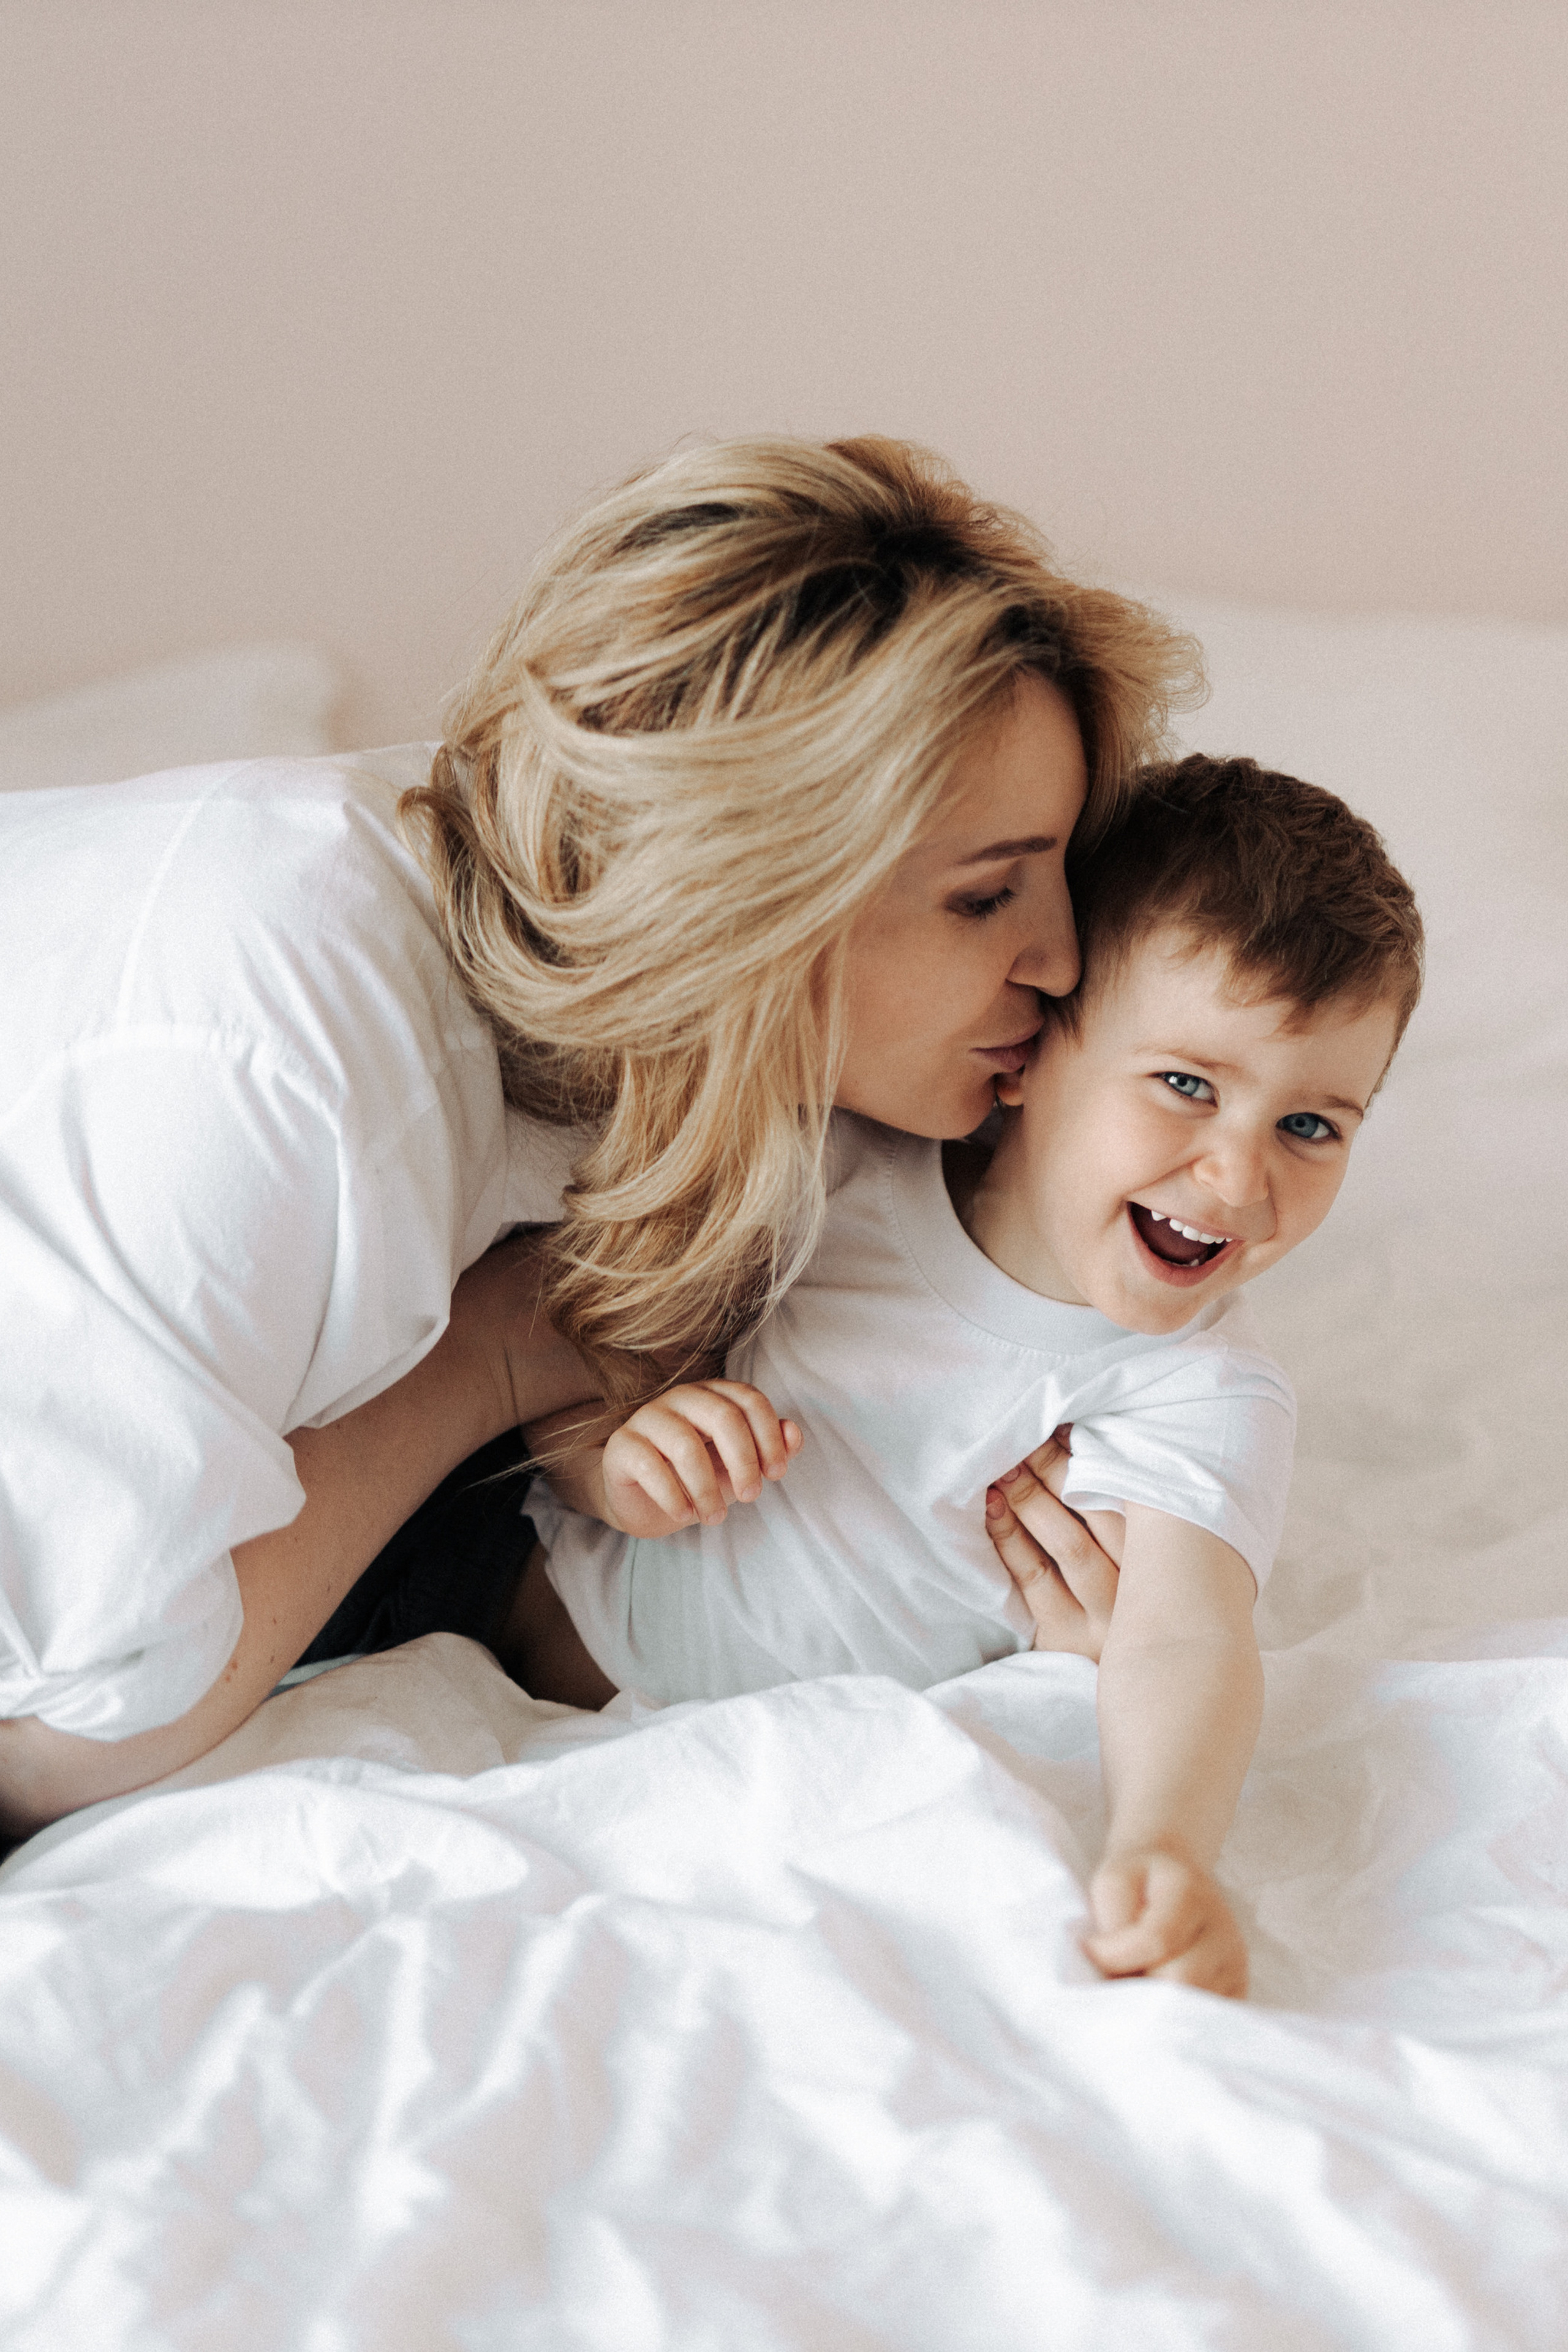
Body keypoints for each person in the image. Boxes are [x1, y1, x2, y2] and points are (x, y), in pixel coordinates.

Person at [0, 436, 1197, 1839]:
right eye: (984, 898)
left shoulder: (728, 1066)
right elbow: (67, 1733)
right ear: (748, 890)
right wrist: (503, 1347)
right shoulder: (271, 1059)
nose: (1060, 964)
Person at [505, 757, 1425, 1997]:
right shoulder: (848, 1176)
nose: (1235, 1178)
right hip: (528, 1598)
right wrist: (613, 1449)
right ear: (1036, 1047)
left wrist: (1163, 1845)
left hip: (742, 1775)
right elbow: (598, 1328)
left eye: (1310, 1126)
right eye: (1185, 1085)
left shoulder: (1196, 1389)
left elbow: (1183, 1637)